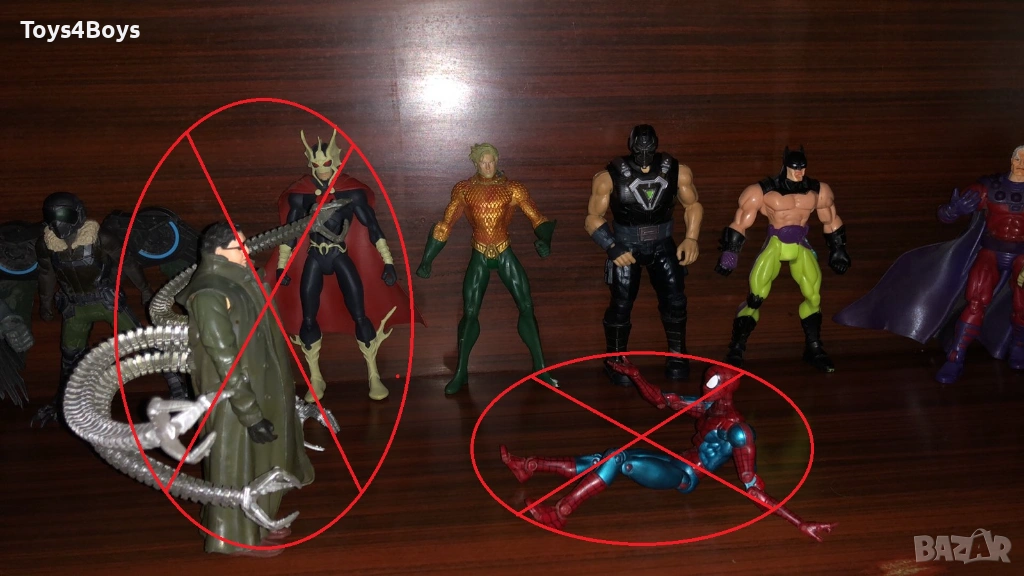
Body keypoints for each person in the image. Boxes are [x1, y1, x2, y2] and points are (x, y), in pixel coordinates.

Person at [501, 361, 836, 542]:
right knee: (608, 455)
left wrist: (799, 522)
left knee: (618, 459)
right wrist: (636, 376)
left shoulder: (737, 431)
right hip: (676, 459)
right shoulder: (708, 408)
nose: (704, 387)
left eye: (712, 384)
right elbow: (662, 400)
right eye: (706, 381)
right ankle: (529, 466)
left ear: (727, 389)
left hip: (685, 477)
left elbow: (753, 487)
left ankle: (560, 513)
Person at [178, 222, 315, 557]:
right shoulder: (209, 293)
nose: (247, 251)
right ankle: (234, 536)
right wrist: (249, 413)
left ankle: (258, 520)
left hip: (259, 385)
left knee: (261, 458)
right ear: (217, 251)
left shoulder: (240, 279)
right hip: (232, 397)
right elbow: (223, 358)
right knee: (233, 463)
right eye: (238, 246)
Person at [267, 130, 415, 402]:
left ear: (335, 161)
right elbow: (290, 233)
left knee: (360, 314)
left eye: (326, 163)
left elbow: (373, 227)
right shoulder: (301, 195)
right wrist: (282, 266)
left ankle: (373, 375)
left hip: (339, 254)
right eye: (316, 164)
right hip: (314, 255)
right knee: (308, 317)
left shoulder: (351, 192)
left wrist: (388, 261)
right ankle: (315, 378)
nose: (321, 169)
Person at [32, 192, 188, 426]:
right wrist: (45, 303)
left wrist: (145, 289)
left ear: (78, 214)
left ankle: (177, 387)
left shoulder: (100, 238)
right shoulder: (46, 244)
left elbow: (127, 262)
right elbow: (46, 273)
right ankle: (62, 402)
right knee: (70, 356)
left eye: (64, 215)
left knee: (142, 343)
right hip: (75, 306)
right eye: (51, 216)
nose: (58, 224)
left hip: (106, 301)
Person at [417, 143, 557, 395]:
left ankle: (541, 367)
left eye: (492, 160)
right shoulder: (464, 190)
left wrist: (545, 240)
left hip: (504, 250)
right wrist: (427, 260)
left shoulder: (512, 188)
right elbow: (445, 225)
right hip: (480, 252)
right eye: (483, 161)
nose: (488, 166)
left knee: (526, 306)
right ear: (476, 163)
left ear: (497, 160)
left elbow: (537, 218)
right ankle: (461, 372)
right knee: (470, 313)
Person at [586, 125, 703, 385]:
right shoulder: (609, 176)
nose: (644, 154)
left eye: (649, 148)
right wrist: (611, 246)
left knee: (675, 301)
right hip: (626, 246)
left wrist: (691, 238)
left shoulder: (677, 171)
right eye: (639, 149)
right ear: (631, 146)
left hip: (663, 243)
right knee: (621, 304)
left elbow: (693, 205)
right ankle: (616, 360)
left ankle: (677, 355)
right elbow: (592, 218)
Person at [715, 147, 849, 371]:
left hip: (800, 245)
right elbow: (740, 221)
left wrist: (838, 249)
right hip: (775, 245)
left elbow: (831, 219)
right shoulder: (763, 191)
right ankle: (736, 348)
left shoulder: (817, 190)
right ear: (785, 166)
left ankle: (814, 347)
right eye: (795, 168)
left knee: (814, 297)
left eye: (802, 167)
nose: (799, 172)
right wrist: (730, 253)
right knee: (755, 297)